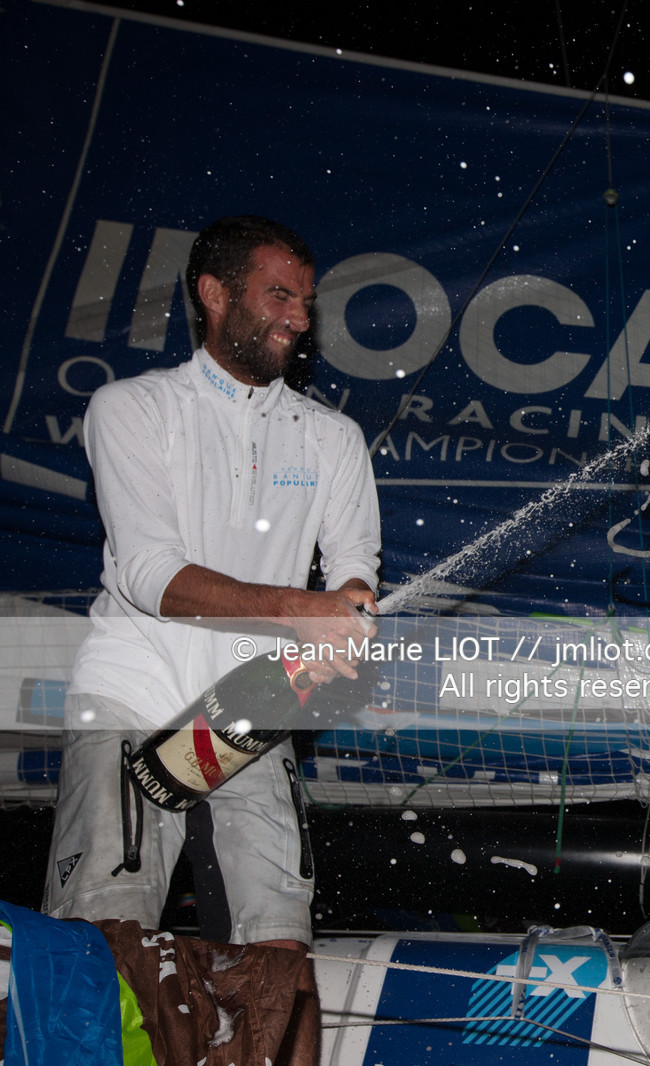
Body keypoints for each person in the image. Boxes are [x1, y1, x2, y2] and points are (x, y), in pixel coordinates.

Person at [43, 216, 381, 962]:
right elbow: (148, 576)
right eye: (278, 296)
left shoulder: (333, 438)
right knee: (107, 944)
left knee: (275, 953)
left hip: (255, 699)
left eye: (305, 301)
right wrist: (304, 611)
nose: (298, 317)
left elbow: (355, 565)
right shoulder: (133, 407)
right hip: (133, 692)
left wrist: (349, 617)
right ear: (214, 295)